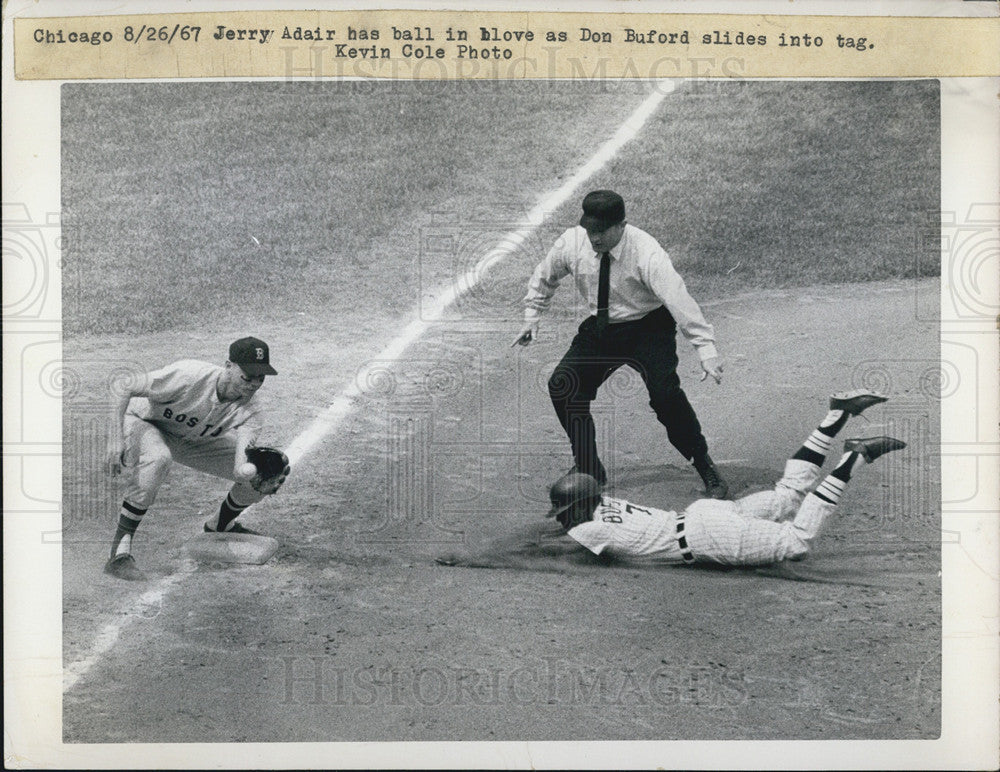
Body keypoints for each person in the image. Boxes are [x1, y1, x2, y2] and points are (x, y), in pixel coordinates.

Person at [514, 189, 728, 497]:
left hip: (648, 330)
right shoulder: (573, 242)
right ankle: (588, 466)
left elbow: (679, 301)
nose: (594, 238)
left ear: (622, 225)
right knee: (564, 384)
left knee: (666, 398)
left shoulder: (647, 253)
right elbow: (545, 276)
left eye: (601, 231)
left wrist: (706, 350)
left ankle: (704, 466)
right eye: (590, 230)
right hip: (602, 330)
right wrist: (532, 315)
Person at [545, 389, 904, 566]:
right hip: (705, 515)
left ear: (579, 508)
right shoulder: (606, 504)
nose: (562, 518)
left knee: (796, 541)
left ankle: (854, 458)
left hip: (709, 537)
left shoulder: (587, 531)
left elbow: (559, 549)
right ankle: (837, 415)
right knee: (789, 494)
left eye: (563, 511)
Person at [102, 336, 284, 581]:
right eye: (247, 376)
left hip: (193, 440)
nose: (253, 384)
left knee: (271, 469)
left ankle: (220, 525)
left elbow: (241, 466)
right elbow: (122, 386)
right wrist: (115, 439)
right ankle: (119, 552)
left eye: (260, 378)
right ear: (228, 366)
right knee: (158, 458)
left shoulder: (252, 412)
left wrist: (251, 473)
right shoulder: (189, 376)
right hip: (144, 423)